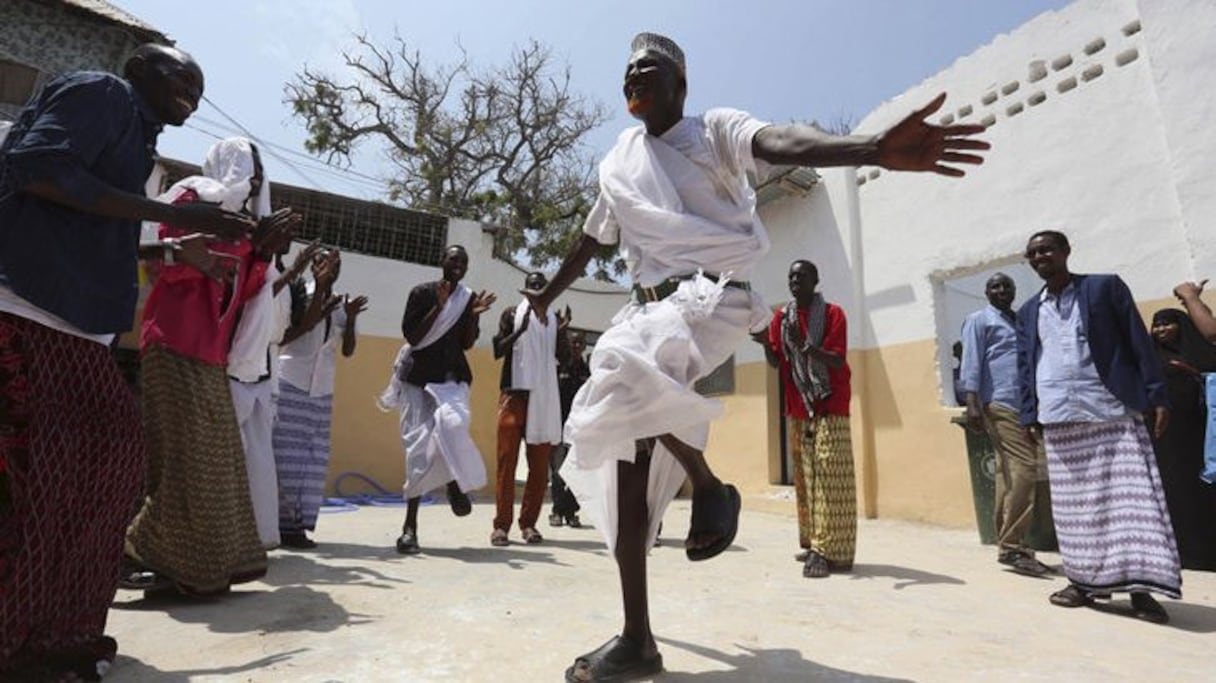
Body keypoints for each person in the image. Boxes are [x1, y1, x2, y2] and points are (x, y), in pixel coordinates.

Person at [522, 32, 989, 682]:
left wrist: (873, 147)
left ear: (681, 84)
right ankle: (638, 637)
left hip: (711, 300)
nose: (635, 77)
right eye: (628, 71)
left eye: (649, 69)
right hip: (649, 311)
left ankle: (709, 485)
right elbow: (589, 239)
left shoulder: (713, 131)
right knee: (626, 464)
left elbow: (780, 142)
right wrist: (547, 291)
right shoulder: (621, 161)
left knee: (618, 370)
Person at [0, 44, 254, 680]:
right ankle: (25, 639)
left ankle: (60, 635)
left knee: (105, 468)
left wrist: (173, 247)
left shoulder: (137, 141)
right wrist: (169, 215)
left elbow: (95, 219)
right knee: (45, 482)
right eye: (182, 79)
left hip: (77, 325)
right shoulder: (103, 93)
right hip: (27, 307)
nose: (192, 94)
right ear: (141, 69)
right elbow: (38, 170)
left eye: (200, 87)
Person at [124, 137, 297, 597]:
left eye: (258, 176)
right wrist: (237, 246)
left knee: (217, 463)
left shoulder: (244, 228)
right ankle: (134, 552)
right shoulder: (191, 198)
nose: (252, 183)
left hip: (212, 354)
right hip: (174, 341)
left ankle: (193, 569)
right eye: (246, 171)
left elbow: (244, 289)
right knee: (186, 462)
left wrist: (260, 253)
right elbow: (163, 262)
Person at [1017, 230, 1179, 624]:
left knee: (1132, 504)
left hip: (1111, 409)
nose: (1041, 256)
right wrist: (1028, 414)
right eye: (1034, 253)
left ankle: (1142, 590)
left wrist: (1157, 395)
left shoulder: (1104, 288)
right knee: (1077, 509)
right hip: (1059, 414)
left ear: (1066, 252)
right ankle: (1084, 582)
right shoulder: (1028, 311)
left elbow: (1138, 341)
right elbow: (1024, 365)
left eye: (1048, 249)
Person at [384, 245, 496, 554]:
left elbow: (467, 343)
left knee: (453, 426)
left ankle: (453, 482)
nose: (458, 264)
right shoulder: (421, 293)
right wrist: (439, 306)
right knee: (418, 452)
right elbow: (414, 338)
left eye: (463, 260)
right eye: (453, 259)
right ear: (442, 261)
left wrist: (472, 318)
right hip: (418, 379)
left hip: (451, 378)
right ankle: (410, 528)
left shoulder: (467, 299)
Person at [753, 260, 855, 578]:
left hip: (830, 403)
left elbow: (837, 359)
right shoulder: (782, 318)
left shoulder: (834, 314)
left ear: (816, 280)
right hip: (797, 406)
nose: (795, 280)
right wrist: (762, 343)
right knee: (806, 479)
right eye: (791, 276)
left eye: (802, 276)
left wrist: (806, 346)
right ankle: (813, 543)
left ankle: (828, 552)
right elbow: (776, 360)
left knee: (829, 476)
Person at [272, 248, 367, 548]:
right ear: (313, 265)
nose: (331, 268)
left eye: (336, 264)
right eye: (324, 262)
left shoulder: (342, 302)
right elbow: (290, 335)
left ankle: (299, 525)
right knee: (284, 459)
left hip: (322, 389)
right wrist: (320, 302)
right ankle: (280, 527)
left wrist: (349, 320)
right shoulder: (299, 291)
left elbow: (348, 350)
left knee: (312, 461)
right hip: (291, 382)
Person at [960, 273, 1052, 577]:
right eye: (995, 286)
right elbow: (971, 361)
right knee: (1026, 468)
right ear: (986, 292)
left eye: (1007, 286)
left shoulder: (1017, 320)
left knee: (1007, 472)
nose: (1002, 290)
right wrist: (972, 403)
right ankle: (1013, 546)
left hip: (1023, 405)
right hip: (998, 403)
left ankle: (1005, 541)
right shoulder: (979, 319)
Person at [491, 272, 568, 546]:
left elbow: (565, 360)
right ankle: (501, 526)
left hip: (543, 399)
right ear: (525, 291)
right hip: (515, 396)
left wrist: (561, 333)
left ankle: (529, 525)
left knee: (538, 469)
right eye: (533, 286)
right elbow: (497, 350)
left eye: (541, 286)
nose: (537, 290)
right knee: (506, 464)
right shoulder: (512, 314)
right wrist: (520, 331)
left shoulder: (554, 321)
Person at [1148, 308, 1216, 570]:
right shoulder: (1150, 358)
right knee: (1173, 491)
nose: (1161, 330)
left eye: (1167, 324)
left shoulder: (1200, 354)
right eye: (1157, 325)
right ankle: (1181, 553)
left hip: (1200, 436)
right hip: (1165, 438)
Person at [550, 329, 590, 528]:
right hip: (557, 427)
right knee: (558, 473)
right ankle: (557, 512)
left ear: (584, 346)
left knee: (579, 472)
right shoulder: (557, 369)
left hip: (579, 430)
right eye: (572, 343)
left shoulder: (588, 372)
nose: (575, 347)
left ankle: (571, 511)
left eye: (579, 343)